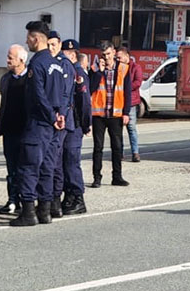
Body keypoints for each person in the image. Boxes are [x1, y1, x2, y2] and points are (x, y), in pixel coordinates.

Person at [12, 21, 65, 227]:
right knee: (47, 168)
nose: (26, 41)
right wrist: (59, 116)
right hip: (53, 126)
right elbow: (62, 94)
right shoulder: (57, 64)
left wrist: (51, 116)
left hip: (39, 123)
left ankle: (28, 213)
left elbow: (38, 96)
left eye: (28, 37)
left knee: (28, 167)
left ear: (36, 38)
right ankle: (45, 211)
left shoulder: (37, 64)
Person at [89, 42, 131, 188]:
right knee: (98, 147)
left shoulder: (123, 68)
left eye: (108, 54)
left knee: (117, 147)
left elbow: (127, 92)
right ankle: (97, 177)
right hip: (99, 114)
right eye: (103, 54)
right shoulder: (94, 68)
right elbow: (91, 89)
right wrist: (99, 72)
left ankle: (117, 176)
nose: (106, 57)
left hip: (116, 114)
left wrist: (126, 113)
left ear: (113, 52)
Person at [0, 44, 29, 215]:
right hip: (9, 131)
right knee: (11, 169)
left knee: (25, 168)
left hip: (26, 131)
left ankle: (27, 199)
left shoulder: (31, 78)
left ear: (21, 60)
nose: (7, 60)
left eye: (11, 57)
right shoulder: (6, 79)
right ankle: (12, 200)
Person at [39, 30, 70, 220]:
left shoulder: (62, 65)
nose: (51, 48)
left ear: (59, 44)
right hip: (50, 118)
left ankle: (54, 202)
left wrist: (61, 116)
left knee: (54, 163)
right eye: (48, 44)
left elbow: (65, 95)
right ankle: (49, 202)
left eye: (54, 44)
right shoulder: (47, 63)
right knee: (49, 163)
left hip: (59, 119)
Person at [60, 40, 91, 214]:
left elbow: (85, 102)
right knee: (65, 161)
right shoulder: (68, 71)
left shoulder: (78, 72)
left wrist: (86, 124)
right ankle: (69, 196)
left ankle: (78, 198)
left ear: (72, 54)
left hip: (76, 123)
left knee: (71, 161)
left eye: (63, 52)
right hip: (69, 124)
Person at [119, 46, 144, 163]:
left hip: (132, 102)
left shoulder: (135, 67)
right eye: (116, 58)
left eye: (120, 57)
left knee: (131, 128)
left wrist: (125, 88)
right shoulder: (117, 68)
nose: (118, 60)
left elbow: (138, 82)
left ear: (126, 56)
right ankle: (120, 153)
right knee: (118, 130)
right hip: (119, 102)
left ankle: (135, 152)